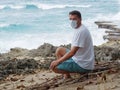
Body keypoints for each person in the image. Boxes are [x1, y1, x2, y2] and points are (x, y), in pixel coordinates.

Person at [50, 10, 94, 79]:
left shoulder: (81, 31)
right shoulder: (79, 28)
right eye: (71, 19)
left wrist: (58, 61)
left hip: (83, 65)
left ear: (80, 19)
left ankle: (82, 72)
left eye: (74, 19)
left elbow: (72, 52)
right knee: (59, 50)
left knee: (54, 67)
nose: (72, 21)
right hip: (80, 58)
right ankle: (66, 75)